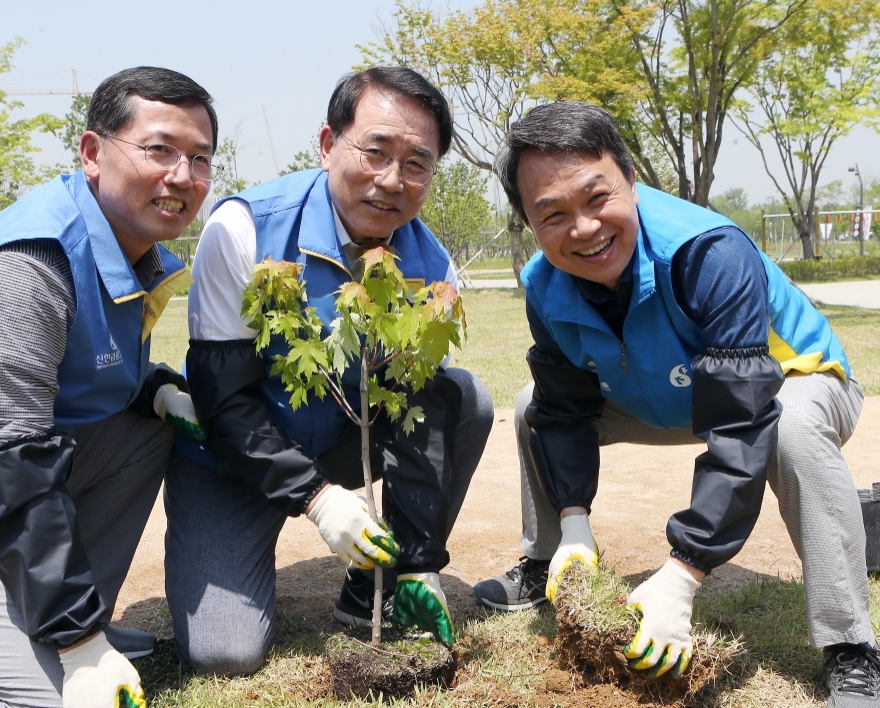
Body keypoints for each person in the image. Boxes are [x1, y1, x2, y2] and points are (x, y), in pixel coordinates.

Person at [471, 102, 876, 707]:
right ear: (529, 224)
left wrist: (686, 571)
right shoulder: (542, 284)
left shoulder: (709, 252)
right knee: (532, 403)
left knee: (788, 428)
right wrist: (575, 518)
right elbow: (563, 406)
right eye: (552, 214)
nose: (583, 228)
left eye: (596, 197)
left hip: (792, 381)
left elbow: (744, 417)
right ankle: (550, 558)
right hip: (663, 398)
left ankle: (851, 647)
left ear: (631, 181)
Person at [0, 66, 215, 708]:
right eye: (159, 150)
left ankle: (62, 618)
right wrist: (77, 646)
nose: (182, 176)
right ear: (93, 153)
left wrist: (162, 390)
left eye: (200, 159)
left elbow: (93, 373)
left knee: (147, 426)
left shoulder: (125, 251)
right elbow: (19, 463)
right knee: (57, 699)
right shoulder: (30, 265)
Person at [167, 66, 494, 675]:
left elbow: (410, 416)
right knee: (224, 653)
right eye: (375, 152)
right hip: (234, 455)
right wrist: (318, 501)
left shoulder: (430, 263)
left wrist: (419, 556)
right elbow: (222, 400)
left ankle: (379, 581)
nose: (392, 181)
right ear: (327, 144)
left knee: (462, 397)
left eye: (417, 163)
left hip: (345, 437)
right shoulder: (243, 231)